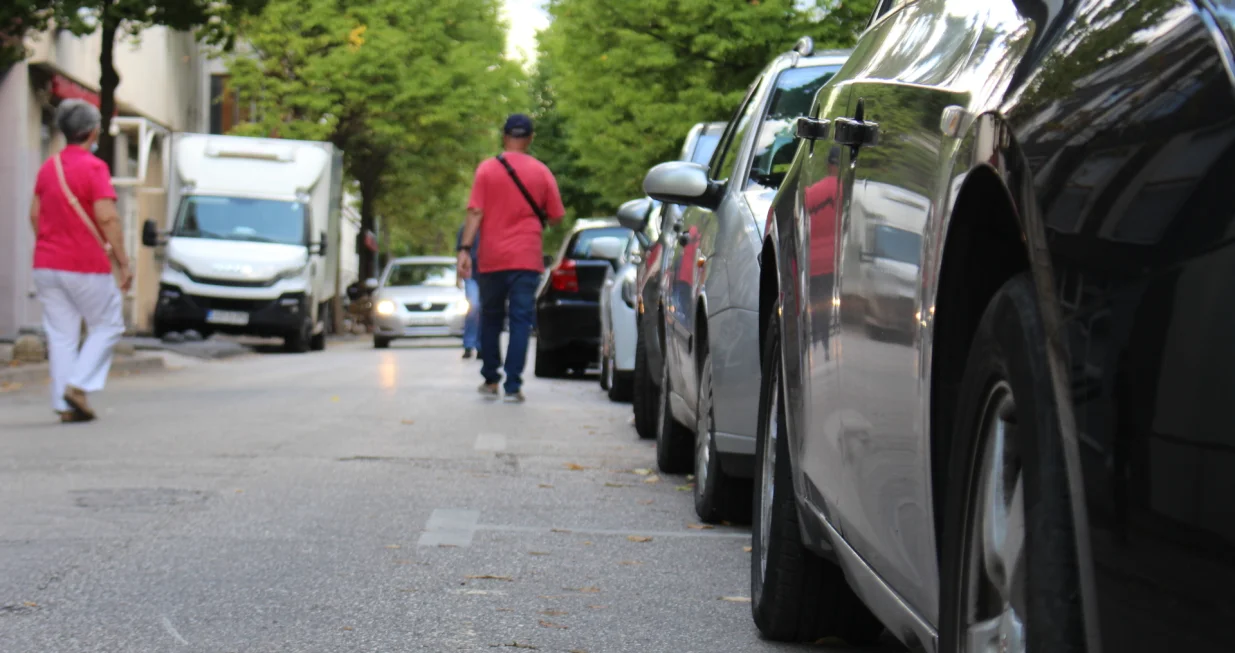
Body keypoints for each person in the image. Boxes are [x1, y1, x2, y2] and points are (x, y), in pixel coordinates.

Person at [28, 99, 132, 422]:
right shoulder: (94, 167)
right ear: (92, 131)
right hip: (84, 264)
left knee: (61, 333)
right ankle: (78, 384)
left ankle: (64, 404)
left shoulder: (49, 167)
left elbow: (34, 213)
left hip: (46, 264)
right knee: (108, 323)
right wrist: (123, 261)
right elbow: (107, 218)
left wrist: (49, 244)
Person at [457, 114, 564, 403]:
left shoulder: (487, 170)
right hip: (527, 259)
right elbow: (556, 217)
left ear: (504, 137)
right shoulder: (542, 172)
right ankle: (513, 385)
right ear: (530, 139)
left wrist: (465, 250)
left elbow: (475, 212)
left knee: (490, 318)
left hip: (492, 258)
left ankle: (491, 379)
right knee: (520, 321)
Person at [455, 225, 482, 359]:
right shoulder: (465, 228)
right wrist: (458, 276)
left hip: (488, 273)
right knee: (473, 307)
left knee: (485, 310)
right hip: (471, 275)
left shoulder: (493, 224)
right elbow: (461, 252)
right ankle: (469, 344)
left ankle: (481, 345)